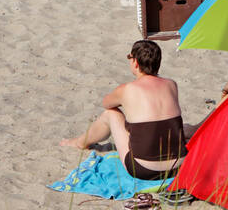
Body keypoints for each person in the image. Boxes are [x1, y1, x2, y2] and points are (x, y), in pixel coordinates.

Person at [60, 39, 187, 181]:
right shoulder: (171, 85)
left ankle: (79, 142)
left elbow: (106, 103)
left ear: (136, 63)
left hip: (144, 169)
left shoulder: (127, 89)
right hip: (178, 166)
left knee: (111, 114)